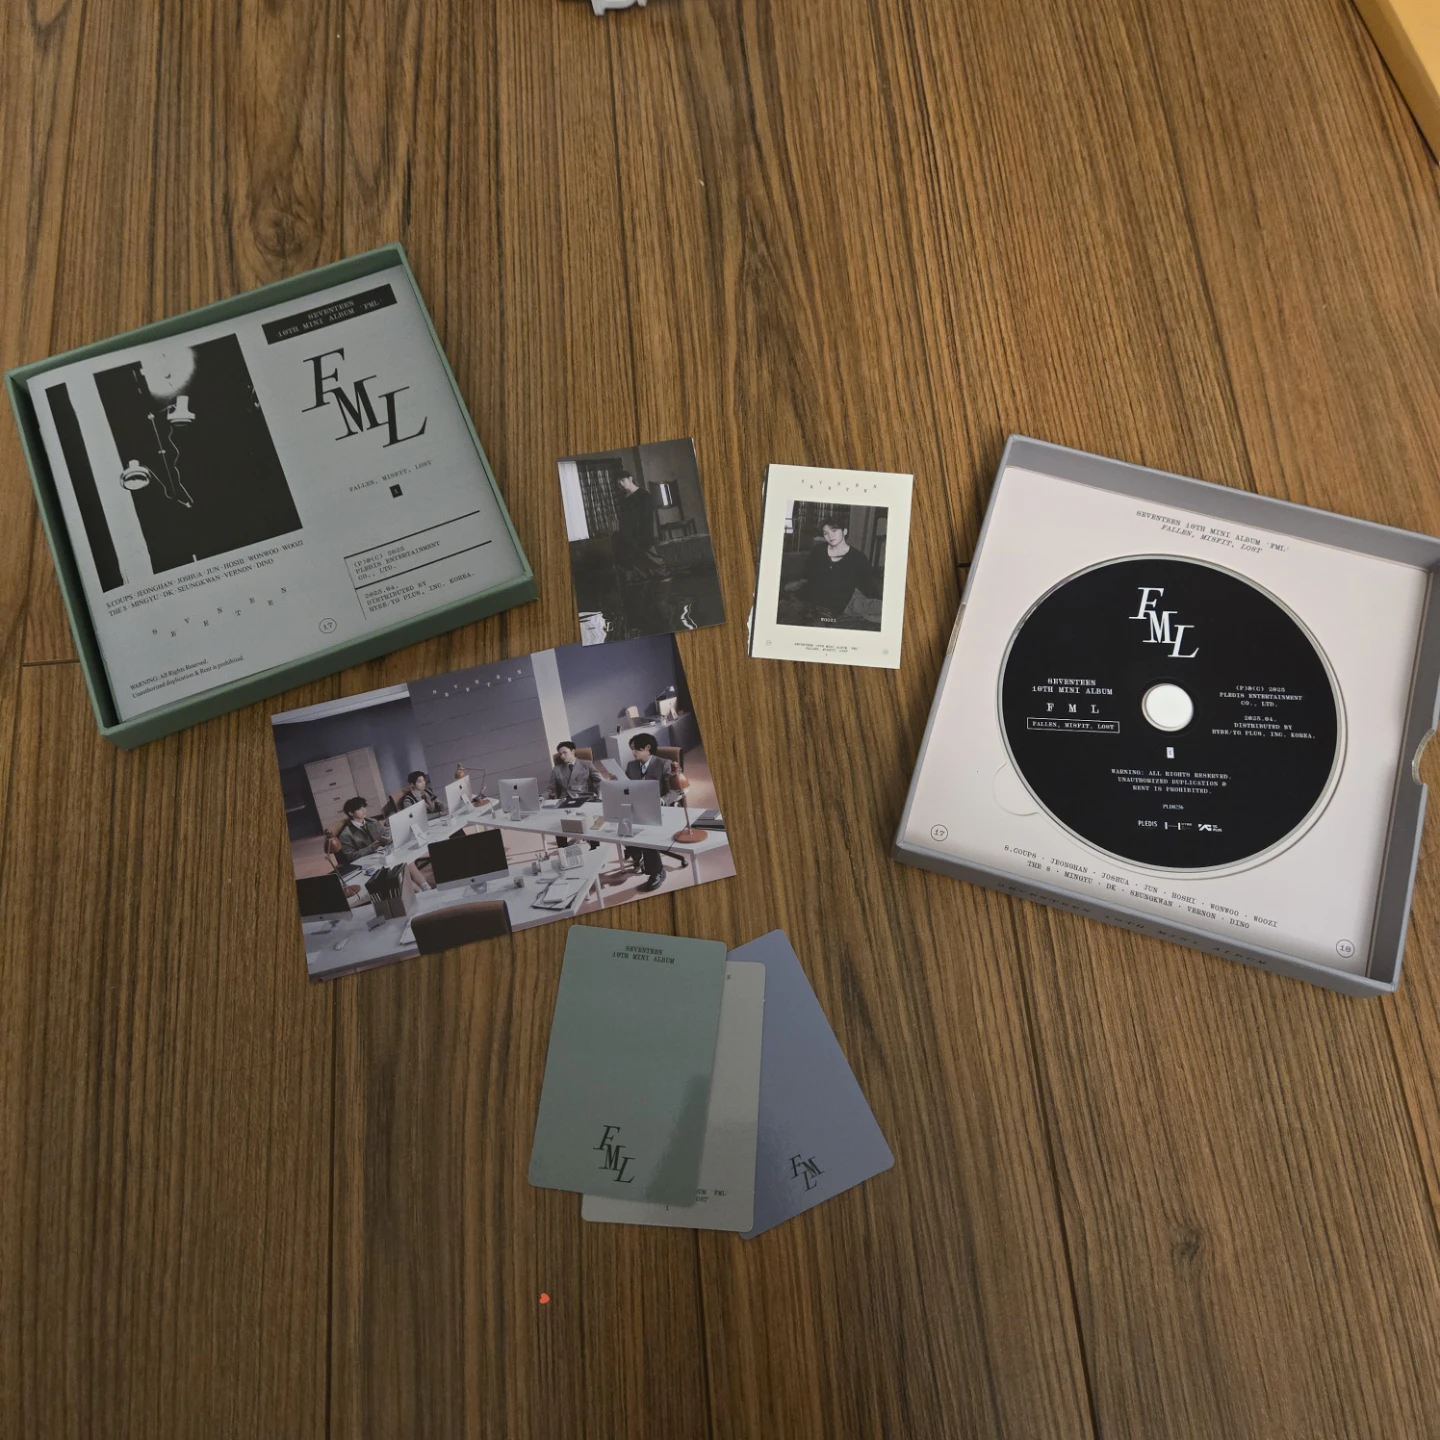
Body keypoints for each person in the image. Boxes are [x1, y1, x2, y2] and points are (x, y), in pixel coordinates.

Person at [783, 516, 878, 619]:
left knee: (867, 606)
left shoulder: (858, 557)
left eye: (834, 531)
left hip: (848, 598)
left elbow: (867, 585)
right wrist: (796, 585)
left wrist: (872, 597)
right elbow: (807, 574)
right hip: (819, 597)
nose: (830, 536)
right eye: (826, 533)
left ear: (844, 532)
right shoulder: (818, 550)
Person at [335, 797, 432, 890]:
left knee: (407, 861)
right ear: (351, 813)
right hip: (367, 862)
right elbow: (351, 856)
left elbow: (384, 833)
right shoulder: (346, 834)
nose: (364, 810)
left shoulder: (372, 821)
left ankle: (425, 887)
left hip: (383, 854)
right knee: (397, 869)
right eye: (359, 809)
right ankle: (419, 891)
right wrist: (371, 847)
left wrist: (389, 835)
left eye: (364, 807)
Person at [623, 733, 674, 892]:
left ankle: (657, 872)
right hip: (637, 807)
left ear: (647, 748)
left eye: (635, 749)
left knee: (645, 832)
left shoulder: (664, 764)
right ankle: (637, 854)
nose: (633, 753)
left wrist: (662, 801)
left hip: (658, 809)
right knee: (620, 824)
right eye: (631, 749)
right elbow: (626, 788)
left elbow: (674, 791)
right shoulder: (631, 766)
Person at [549, 741, 602, 850]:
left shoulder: (587, 764)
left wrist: (599, 798)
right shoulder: (557, 769)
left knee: (588, 820)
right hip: (565, 801)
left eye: (565, 753)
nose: (562, 756)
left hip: (584, 799)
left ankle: (595, 849)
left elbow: (600, 782)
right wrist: (542, 797)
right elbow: (550, 788)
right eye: (560, 754)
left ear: (573, 751)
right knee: (558, 822)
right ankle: (563, 850)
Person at [612, 471, 663, 577]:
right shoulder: (624, 500)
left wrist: (645, 535)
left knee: (653, 563)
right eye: (619, 483)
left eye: (623, 480)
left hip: (643, 533)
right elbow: (625, 519)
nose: (621, 484)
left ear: (630, 478)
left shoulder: (644, 495)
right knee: (635, 564)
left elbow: (648, 517)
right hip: (629, 535)